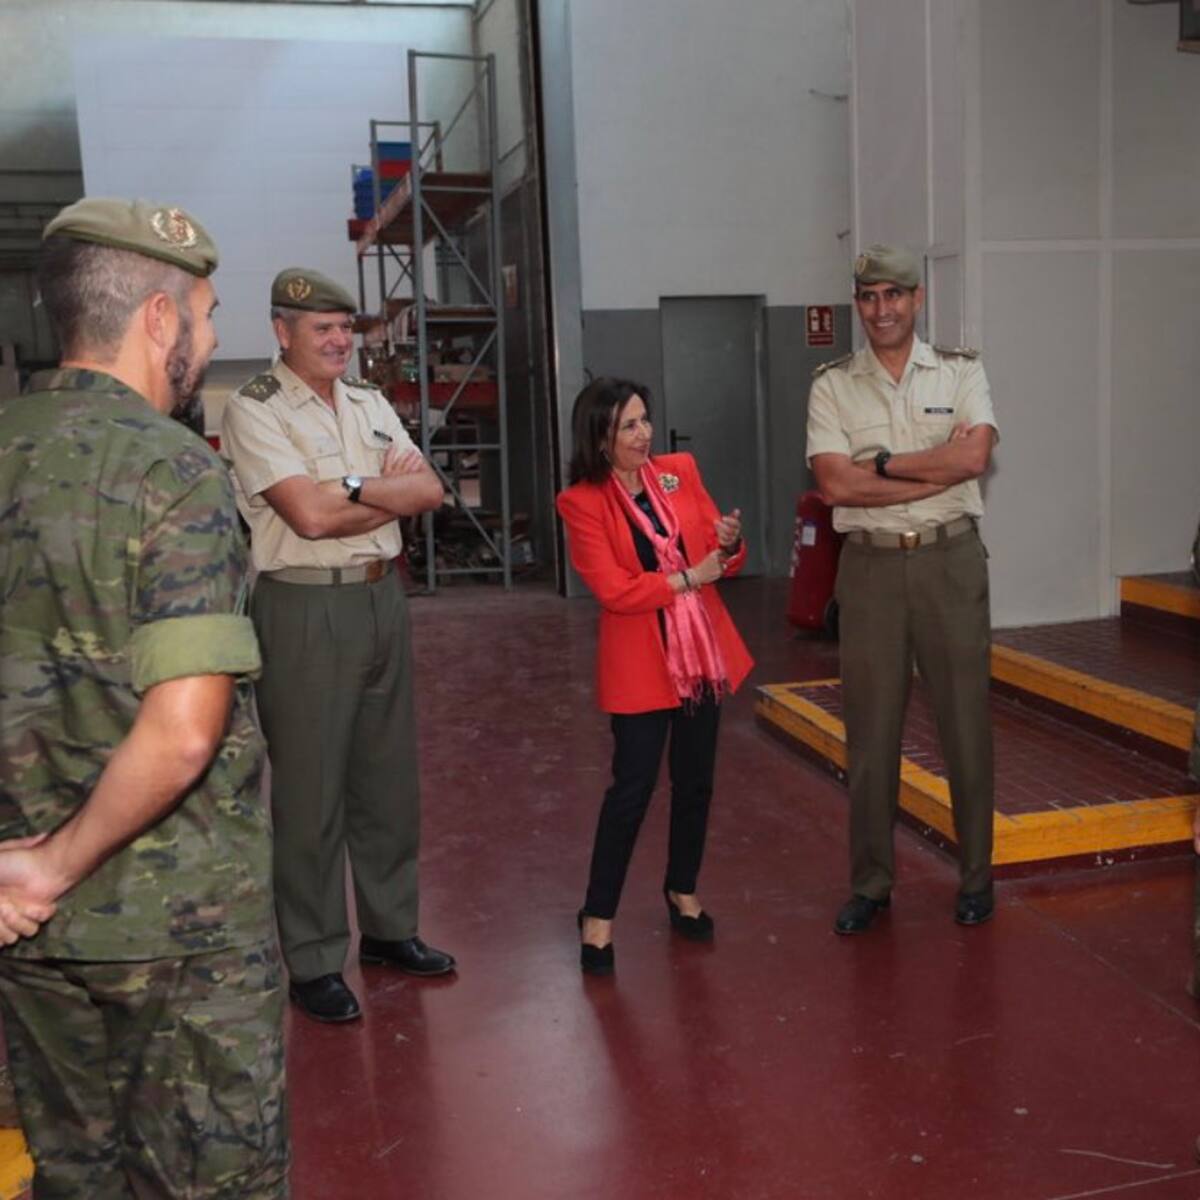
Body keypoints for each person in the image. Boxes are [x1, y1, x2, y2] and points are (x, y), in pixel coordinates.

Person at [0, 198, 287, 1197]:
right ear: (158, 321)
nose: (209, 341)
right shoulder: (173, 471)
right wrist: (53, 867)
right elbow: (181, 732)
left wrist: (19, 878)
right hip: (180, 933)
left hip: (29, 936)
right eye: (205, 317)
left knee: (76, 1172)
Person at [221, 268, 455, 1024]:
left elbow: (430, 493)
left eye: (345, 329)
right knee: (312, 791)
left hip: (383, 598)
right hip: (304, 608)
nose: (337, 341)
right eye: (320, 328)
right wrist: (373, 489)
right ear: (281, 331)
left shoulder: (369, 400)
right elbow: (308, 520)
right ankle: (316, 957)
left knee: (387, 782)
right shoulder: (255, 410)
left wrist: (346, 489)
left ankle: (390, 930)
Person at [805, 244, 999, 935]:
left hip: (951, 565)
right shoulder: (831, 385)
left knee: (965, 728)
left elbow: (975, 457)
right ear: (857, 305)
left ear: (917, 300)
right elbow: (835, 484)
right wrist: (932, 469)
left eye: (894, 295)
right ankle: (871, 883)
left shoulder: (961, 370)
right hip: (872, 570)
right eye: (868, 297)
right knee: (871, 734)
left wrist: (882, 464)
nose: (881, 309)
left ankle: (977, 878)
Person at [556, 377, 753, 975]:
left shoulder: (678, 471)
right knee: (631, 790)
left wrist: (730, 542)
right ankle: (598, 915)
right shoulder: (582, 503)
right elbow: (615, 590)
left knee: (695, 782)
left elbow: (722, 556)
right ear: (600, 438)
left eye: (645, 420)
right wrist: (690, 577)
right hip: (642, 661)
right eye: (628, 426)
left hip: (700, 656)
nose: (644, 435)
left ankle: (682, 888)